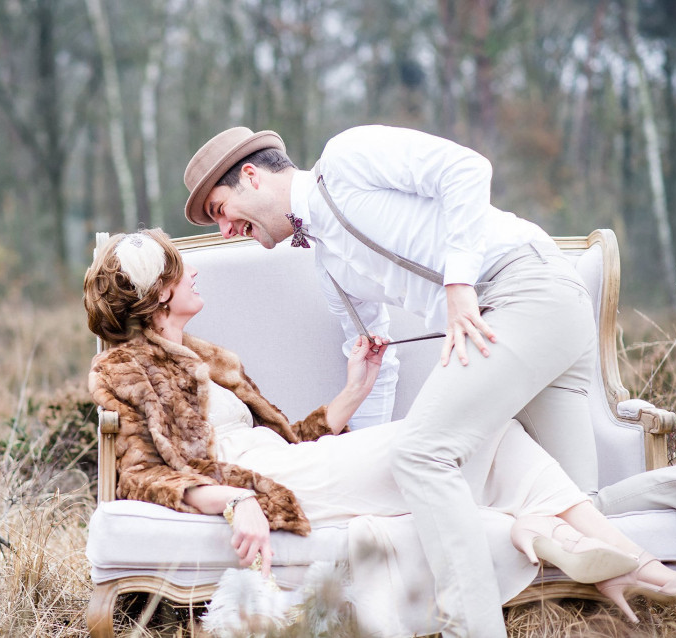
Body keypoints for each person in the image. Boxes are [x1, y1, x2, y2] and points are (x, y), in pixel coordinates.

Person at [84, 229, 676, 636]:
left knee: (482, 441)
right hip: (267, 482)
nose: (196, 278)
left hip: (294, 464)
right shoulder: (123, 368)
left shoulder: (208, 357)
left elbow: (290, 438)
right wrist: (236, 501)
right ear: (160, 291)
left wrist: (355, 388)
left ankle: (568, 543)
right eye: (181, 272)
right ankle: (632, 564)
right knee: (472, 439)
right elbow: (142, 476)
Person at [181, 125, 602, 636]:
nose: (223, 229)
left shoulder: (347, 157)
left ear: (250, 177)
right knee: (582, 506)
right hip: (521, 327)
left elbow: (468, 169)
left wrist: (458, 284)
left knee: (422, 457)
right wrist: (356, 450)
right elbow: (377, 361)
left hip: (525, 290)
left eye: (221, 209)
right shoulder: (330, 268)